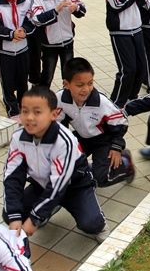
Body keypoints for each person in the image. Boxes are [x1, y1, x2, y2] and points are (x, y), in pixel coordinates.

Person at [3, 86, 109, 241]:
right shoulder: (18, 138)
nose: (30, 117)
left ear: (54, 114)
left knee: (92, 224)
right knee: (11, 213)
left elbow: (58, 185)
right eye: (25, 111)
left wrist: (34, 219)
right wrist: (14, 218)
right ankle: (49, 206)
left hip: (74, 187)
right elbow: (12, 177)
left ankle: (98, 220)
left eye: (37, 112)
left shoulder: (64, 140)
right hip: (43, 186)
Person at [55, 57, 135, 187]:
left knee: (101, 179)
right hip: (81, 137)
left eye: (90, 83)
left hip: (103, 140)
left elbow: (121, 122)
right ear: (66, 84)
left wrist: (117, 146)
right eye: (80, 85)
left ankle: (126, 165)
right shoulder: (59, 99)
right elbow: (57, 124)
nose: (86, 89)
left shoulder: (102, 103)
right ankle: (85, 170)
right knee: (62, 164)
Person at [104, 0, 150, 108]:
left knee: (141, 68)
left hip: (137, 27)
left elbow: (146, 2)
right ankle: (116, 103)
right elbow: (116, 5)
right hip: (120, 30)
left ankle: (132, 97)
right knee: (128, 69)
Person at [31, 0, 86, 88]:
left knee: (68, 76)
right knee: (47, 75)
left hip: (67, 42)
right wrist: (56, 9)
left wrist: (76, 8)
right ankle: (43, 99)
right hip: (49, 45)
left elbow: (83, 9)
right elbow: (36, 19)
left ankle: (67, 101)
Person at [0, 0, 36, 118]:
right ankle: (13, 112)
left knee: (23, 82)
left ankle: (23, 108)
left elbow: (32, 22)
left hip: (23, 50)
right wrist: (11, 34)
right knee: (8, 84)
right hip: (5, 52)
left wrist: (24, 31)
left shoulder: (27, 3)